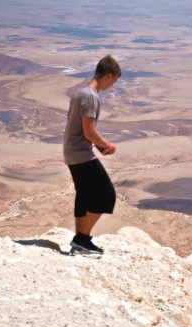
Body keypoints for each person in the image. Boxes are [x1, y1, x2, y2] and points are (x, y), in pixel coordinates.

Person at [63, 55, 121, 254]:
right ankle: (82, 239)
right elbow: (89, 131)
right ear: (108, 76)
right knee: (106, 196)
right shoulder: (90, 96)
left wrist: (97, 147)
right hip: (80, 154)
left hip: (73, 152)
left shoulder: (81, 92)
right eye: (114, 81)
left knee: (85, 196)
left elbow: (82, 130)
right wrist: (107, 145)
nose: (113, 85)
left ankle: (79, 243)